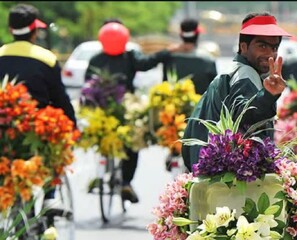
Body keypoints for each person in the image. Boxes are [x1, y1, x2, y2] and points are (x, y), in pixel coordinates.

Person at [181, 12, 291, 171]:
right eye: (262, 46)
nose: (269, 54)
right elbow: (245, 114)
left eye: (274, 47)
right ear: (243, 47)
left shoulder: (232, 72)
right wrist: (268, 96)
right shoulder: (245, 74)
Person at [84, 21, 179, 204]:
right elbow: (147, 63)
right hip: (127, 108)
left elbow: (88, 85)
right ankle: (126, 182)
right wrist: (166, 53)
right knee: (134, 141)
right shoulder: (130, 57)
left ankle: (101, 169)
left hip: (101, 110)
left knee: (100, 136)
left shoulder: (96, 59)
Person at [0, 4, 76, 211]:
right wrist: (73, 124)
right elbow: (60, 99)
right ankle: (50, 195)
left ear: (10, 30)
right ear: (34, 31)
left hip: (3, 126)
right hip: (35, 128)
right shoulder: (46, 58)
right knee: (55, 144)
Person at [162, 18, 218, 95]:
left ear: (181, 35)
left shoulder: (170, 59)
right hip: (201, 105)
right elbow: (215, 90)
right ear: (197, 35)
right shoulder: (208, 60)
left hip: (174, 105)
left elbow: (165, 85)